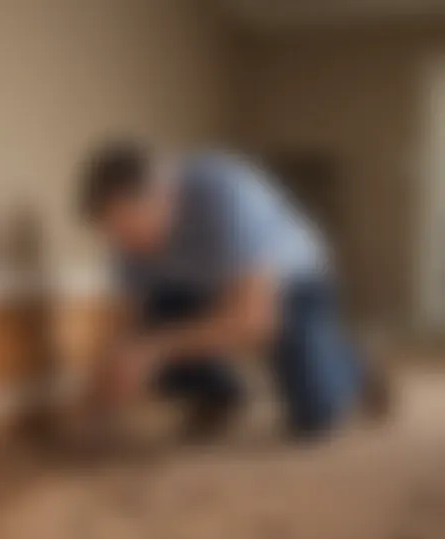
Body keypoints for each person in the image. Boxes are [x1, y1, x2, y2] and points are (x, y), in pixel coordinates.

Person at [76, 140, 389, 441]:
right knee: (153, 331)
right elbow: (132, 330)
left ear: (163, 196)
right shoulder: (127, 242)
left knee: (315, 414)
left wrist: (154, 351)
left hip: (293, 284)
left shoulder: (226, 192)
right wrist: (102, 391)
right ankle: (217, 395)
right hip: (207, 288)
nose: (126, 244)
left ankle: (351, 365)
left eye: (130, 227)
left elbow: (254, 321)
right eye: (114, 232)